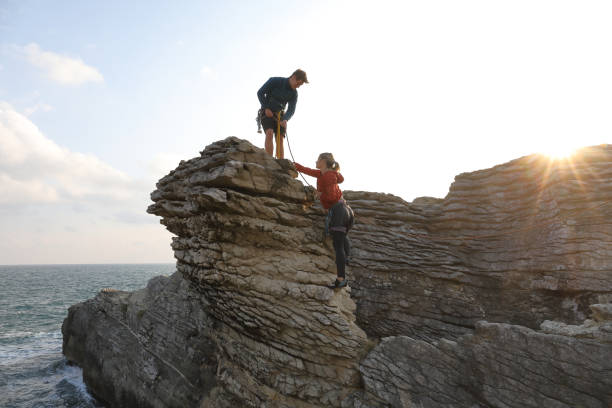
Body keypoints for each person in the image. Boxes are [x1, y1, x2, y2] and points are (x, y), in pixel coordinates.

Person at [294, 153, 354, 289]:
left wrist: (320, 195)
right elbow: (306, 170)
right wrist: (294, 166)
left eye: (318, 159)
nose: (315, 161)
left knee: (338, 245)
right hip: (346, 211)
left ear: (323, 161)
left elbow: (331, 196)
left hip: (338, 211)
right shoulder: (323, 174)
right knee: (342, 239)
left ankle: (341, 279)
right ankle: (347, 258)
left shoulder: (328, 176)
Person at [257, 69, 308, 158]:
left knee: (280, 138)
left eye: (300, 85)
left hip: (280, 115)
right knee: (269, 132)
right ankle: (270, 160)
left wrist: (285, 119)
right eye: (298, 83)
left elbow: (291, 109)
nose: (298, 86)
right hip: (266, 112)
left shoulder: (294, 93)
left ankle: (281, 163)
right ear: (294, 77)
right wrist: (266, 107)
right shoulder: (274, 81)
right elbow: (260, 93)